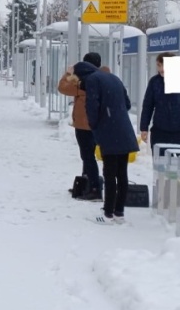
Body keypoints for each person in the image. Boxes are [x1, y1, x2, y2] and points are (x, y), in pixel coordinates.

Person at [76, 59, 139, 224]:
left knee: (109, 174)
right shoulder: (113, 78)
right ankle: (119, 213)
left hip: (109, 132)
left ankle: (107, 214)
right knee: (122, 174)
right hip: (124, 129)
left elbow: (92, 106)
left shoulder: (92, 80)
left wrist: (95, 125)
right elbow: (126, 104)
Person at [57, 52, 110, 201]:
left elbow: (62, 87)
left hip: (84, 124)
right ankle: (89, 183)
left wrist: (68, 73)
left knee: (87, 156)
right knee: (93, 155)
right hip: (101, 123)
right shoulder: (104, 78)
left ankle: (94, 188)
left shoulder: (83, 81)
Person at [139, 53, 180, 151]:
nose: (161, 69)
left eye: (164, 65)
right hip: (160, 132)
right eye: (159, 65)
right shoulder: (154, 82)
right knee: (160, 165)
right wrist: (144, 128)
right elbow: (148, 106)